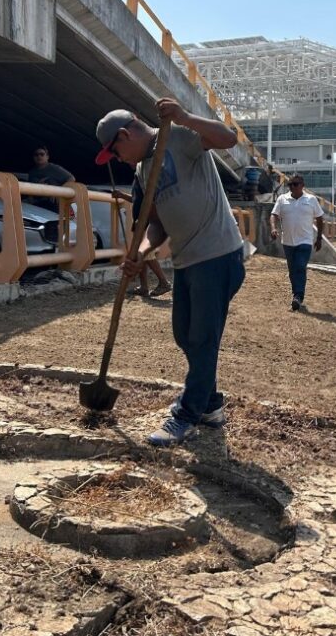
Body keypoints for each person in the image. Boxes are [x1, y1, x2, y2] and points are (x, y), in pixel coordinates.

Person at [94, 98, 244, 447]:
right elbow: (157, 225)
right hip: (187, 260)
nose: (117, 159)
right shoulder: (143, 171)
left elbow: (228, 139)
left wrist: (185, 117)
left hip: (218, 253)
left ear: (124, 135)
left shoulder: (178, 137)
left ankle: (186, 416)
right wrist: (142, 253)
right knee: (184, 335)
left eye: (114, 152)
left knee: (203, 339)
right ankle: (209, 405)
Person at [270, 174, 324, 311]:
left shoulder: (311, 200)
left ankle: (298, 296)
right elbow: (274, 215)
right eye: (290, 185)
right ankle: (296, 295)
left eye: (295, 184)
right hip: (287, 242)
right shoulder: (282, 199)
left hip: (305, 241)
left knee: (300, 266)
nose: (292, 187)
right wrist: (273, 228)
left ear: (302, 185)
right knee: (293, 270)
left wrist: (319, 238)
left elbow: (320, 218)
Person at [111, 179, 171, 297]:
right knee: (142, 256)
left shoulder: (145, 176)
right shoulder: (140, 176)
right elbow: (137, 199)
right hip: (141, 220)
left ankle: (163, 282)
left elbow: (148, 200)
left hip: (145, 220)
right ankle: (144, 287)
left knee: (145, 254)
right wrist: (122, 195)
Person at [27, 146, 74, 211]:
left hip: (53, 204)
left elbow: (71, 178)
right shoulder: (32, 172)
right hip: (37, 204)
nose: (39, 156)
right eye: (36, 155)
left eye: (42, 154)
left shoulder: (55, 168)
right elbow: (29, 190)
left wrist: (60, 192)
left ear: (47, 157)